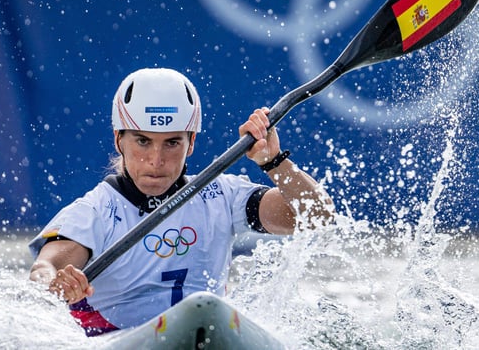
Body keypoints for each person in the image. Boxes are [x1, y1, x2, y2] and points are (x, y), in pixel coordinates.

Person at [27, 67, 333, 335]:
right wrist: (57, 284)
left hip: (203, 333)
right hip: (113, 337)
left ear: (191, 143)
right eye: (143, 141)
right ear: (119, 139)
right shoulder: (95, 211)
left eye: (172, 143)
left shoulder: (222, 196)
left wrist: (274, 161)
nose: (156, 161)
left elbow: (319, 216)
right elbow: (44, 268)